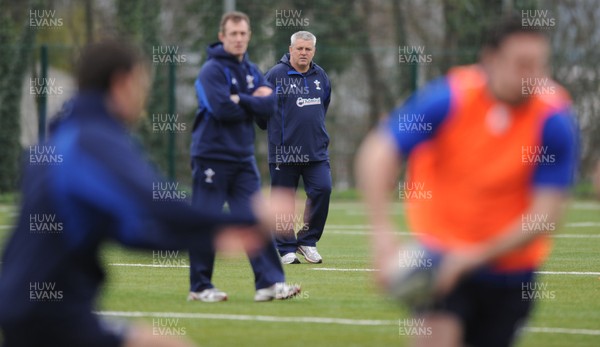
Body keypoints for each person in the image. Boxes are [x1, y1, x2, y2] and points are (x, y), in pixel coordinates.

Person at [0, 39, 288, 347]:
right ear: (122, 82)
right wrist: (249, 217)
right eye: (142, 82)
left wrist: (212, 237)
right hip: (47, 315)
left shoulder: (68, 134)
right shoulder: (94, 141)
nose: (144, 95)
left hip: (40, 308)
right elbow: (155, 206)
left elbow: (130, 228)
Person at [356, 15, 578, 347]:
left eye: (539, 66)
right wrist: (382, 233)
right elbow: (378, 152)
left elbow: (545, 216)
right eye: (522, 65)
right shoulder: (451, 97)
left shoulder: (554, 119)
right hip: (440, 262)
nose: (532, 77)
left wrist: (472, 256)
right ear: (490, 60)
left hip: (510, 271)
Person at [189, 11, 300, 302]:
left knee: (255, 219)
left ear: (249, 36)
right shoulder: (211, 70)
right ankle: (200, 287)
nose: (238, 39)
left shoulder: (251, 69)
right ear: (222, 36)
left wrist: (243, 99)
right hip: (211, 157)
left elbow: (270, 106)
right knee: (207, 221)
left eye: (243, 34)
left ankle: (269, 284)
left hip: (243, 158)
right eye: (233, 34)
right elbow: (222, 109)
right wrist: (254, 100)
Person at [262, 31, 332, 264]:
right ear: (290, 49)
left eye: (308, 49)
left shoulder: (320, 75)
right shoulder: (274, 75)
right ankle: (285, 248)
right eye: (299, 48)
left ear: (314, 51)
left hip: (316, 152)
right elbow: (261, 113)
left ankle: (307, 241)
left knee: (323, 189)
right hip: (284, 153)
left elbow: (323, 106)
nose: (304, 53)